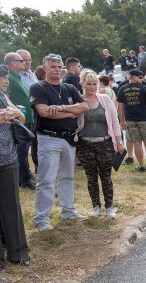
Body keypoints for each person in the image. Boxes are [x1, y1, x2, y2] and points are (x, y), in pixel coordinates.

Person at [30, 54, 90, 231]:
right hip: (48, 138)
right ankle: (42, 219)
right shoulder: (38, 87)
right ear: (45, 68)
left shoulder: (69, 88)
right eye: (53, 66)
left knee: (68, 177)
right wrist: (72, 113)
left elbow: (85, 107)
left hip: (69, 138)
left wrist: (63, 108)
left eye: (59, 66)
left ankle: (68, 211)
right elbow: (44, 112)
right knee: (47, 180)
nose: (57, 69)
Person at [76, 70, 124, 218]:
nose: (92, 87)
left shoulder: (105, 99)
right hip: (85, 145)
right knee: (91, 177)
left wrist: (119, 142)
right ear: (82, 84)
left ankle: (109, 207)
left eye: (94, 84)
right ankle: (95, 206)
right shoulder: (78, 101)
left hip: (105, 144)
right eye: (89, 84)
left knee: (106, 176)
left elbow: (115, 121)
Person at [0, 64, 30, 268]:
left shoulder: (3, 96)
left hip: (8, 158)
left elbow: (23, 117)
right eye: (3, 77)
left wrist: (14, 112)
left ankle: (18, 253)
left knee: (12, 207)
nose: (7, 80)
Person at [4, 52, 35, 189]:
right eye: (21, 60)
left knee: (24, 150)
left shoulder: (17, 77)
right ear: (13, 63)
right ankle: (25, 180)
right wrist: (16, 113)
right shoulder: (9, 77)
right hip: (19, 120)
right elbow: (5, 98)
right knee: (22, 151)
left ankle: (23, 175)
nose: (25, 63)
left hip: (26, 118)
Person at [117, 69, 146, 172]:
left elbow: (120, 108)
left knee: (136, 143)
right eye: (140, 77)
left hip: (130, 120)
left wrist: (122, 121)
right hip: (144, 119)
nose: (141, 79)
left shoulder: (122, 89)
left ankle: (141, 166)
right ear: (134, 77)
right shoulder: (144, 88)